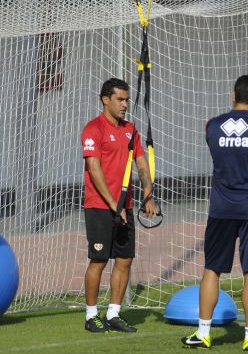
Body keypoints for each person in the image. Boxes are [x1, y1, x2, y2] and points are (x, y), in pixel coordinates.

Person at [182, 75, 248, 351]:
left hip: (221, 209)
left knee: (212, 269)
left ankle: (203, 333)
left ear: (233, 95)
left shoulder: (212, 126)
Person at [81, 77, 158, 333]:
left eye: (126, 99)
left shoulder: (131, 130)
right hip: (99, 207)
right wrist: (115, 204)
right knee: (99, 261)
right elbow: (94, 169)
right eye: (120, 99)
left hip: (123, 208)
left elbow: (142, 164)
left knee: (124, 260)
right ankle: (92, 316)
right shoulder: (93, 129)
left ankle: (113, 314)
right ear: (106, 100)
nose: (125, 104)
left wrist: (148, 194)